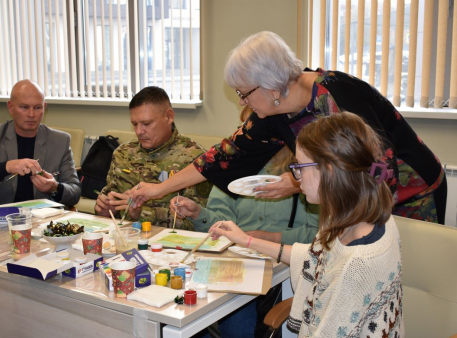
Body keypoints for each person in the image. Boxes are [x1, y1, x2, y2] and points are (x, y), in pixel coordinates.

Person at [132, 31, 446, 224]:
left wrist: (297, 183)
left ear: (271, 85)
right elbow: (225, 156)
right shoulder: (274, 111)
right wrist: (157, 189)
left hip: (413, 191)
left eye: (244, 93)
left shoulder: (337, 95)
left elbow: (378, 167)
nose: (243, 103)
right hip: (356, 199)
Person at [210, 112, 404, 338]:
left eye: (300, 167)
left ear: (329, 170)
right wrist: (245, 240)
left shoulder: (356, 266)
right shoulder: (365, 219)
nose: (296, 177)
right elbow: (317, 258)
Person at [173, 107, 319, 338]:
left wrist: (270, 237)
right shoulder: (235, 167)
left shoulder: (302, 176)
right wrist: (198, 213)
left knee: (236, 331)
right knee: (188, 317)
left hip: (279, 272)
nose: (250, 144)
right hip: (233, 265)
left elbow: (317, 235)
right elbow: (220, 222)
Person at [95, 86, 210, 230]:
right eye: (134, 124)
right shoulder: (123, 154)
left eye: (147, 123)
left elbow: (197, 223)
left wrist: (141, 214)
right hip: (127, 238)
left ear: (169, 117)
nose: (139, 131)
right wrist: (106, 211)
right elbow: (111, 203)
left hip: (168, 246)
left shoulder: (195, 160)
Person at [0, 80, 81, 208]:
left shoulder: (60, 141)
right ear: (11, 107)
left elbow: (75, 192)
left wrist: (55, 187)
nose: (31, 114)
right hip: (1, 219)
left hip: (43, 220)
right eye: (24, 107)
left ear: (44, 108)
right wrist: (5, 167)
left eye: (37, 107)